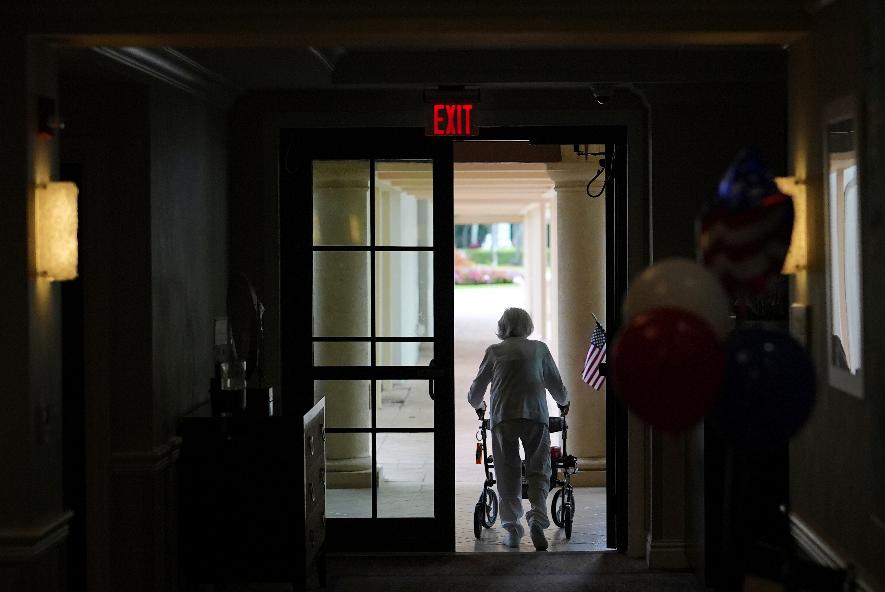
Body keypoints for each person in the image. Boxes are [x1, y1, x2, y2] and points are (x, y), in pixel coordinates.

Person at [468, 307, 569, 550]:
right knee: (539, 468)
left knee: (506, 472)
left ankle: (513, 529)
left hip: (504, 418)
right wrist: (564, 403)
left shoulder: (494, 352)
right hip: (535, 415)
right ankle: (537, 519)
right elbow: (556, 385)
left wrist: (478, 404)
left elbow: (476, 391)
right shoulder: (539, 349)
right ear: (528, 326)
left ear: (502, 327)